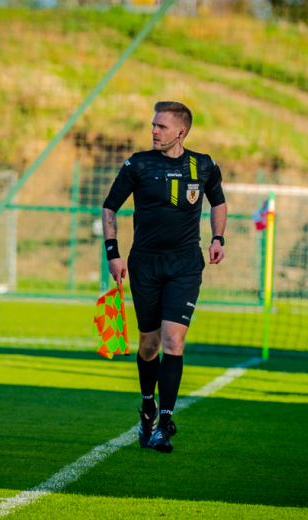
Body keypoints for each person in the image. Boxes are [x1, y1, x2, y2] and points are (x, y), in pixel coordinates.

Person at [101, 101, 227, 453]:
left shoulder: (203, 165)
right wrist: (113, 253)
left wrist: (218, 238)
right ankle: (147, 406)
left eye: (161, 126)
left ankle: (165, 424)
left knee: (174, 341)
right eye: (153, 125)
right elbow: (110, 206)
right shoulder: (138, 164)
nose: (154, 130)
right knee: (150, 344)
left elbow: (219, 201)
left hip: (186, 264)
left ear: (181, 132)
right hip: (145, 264)